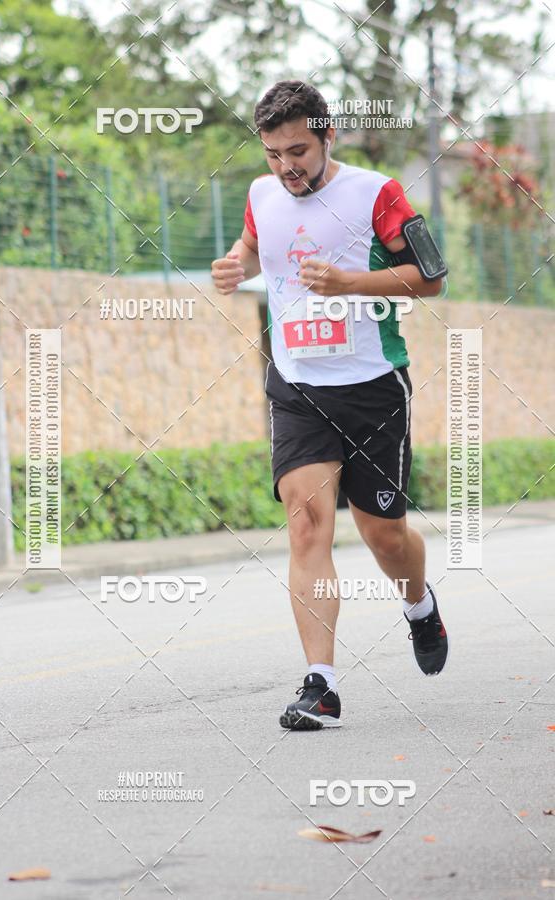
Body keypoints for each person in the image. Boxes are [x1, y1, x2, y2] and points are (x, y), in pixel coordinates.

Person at [211, 80, 448, 731]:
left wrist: (351, 283)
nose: (286, 167)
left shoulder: (376, 192)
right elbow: (258, 247)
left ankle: (419, 606)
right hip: (296, 385)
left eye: (298, 151)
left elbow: (431, 276)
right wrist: (237, 264)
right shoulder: (263, 195)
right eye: (272, 154)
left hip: (373, 385)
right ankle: (322, 684)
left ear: (327, 137)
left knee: (384, 534)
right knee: (308, 524)